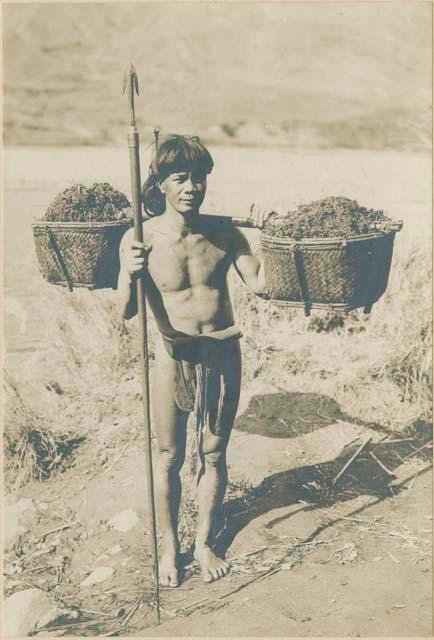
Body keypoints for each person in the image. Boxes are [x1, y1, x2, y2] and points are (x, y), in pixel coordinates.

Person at [117, 134, 274, 587]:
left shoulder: (225, 234)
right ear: (160, 184)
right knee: (168, 457)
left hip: (222, 353)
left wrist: (271, 237)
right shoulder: (139, 238)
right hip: (172, 356)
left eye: (199, 177)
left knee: (214, 452)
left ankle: (204, 542)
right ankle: (170, 548)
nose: (191, 187)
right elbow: (125, 310)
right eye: (180, 178)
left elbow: (262, 283)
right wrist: (129, 271)